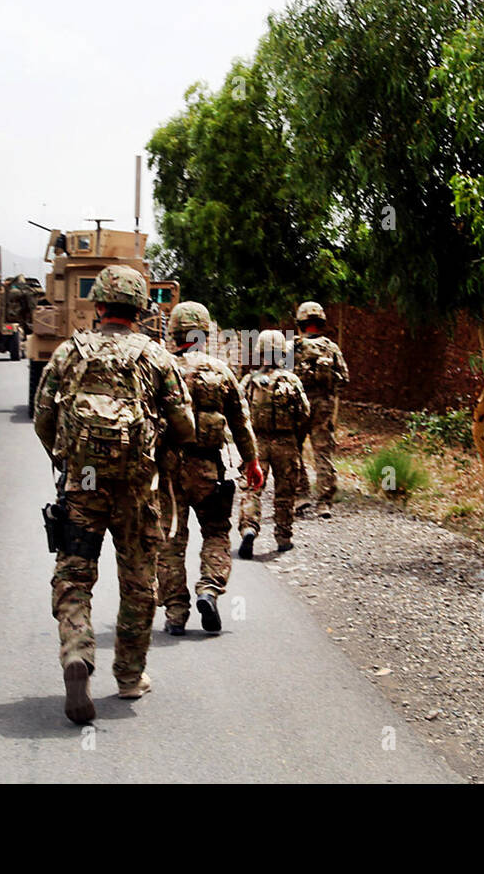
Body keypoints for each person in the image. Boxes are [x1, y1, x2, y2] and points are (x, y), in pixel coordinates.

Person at [34, 265, 194, 724]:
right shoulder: (156, 357)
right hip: (136, 487)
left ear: (99, 306)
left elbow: (44, 419)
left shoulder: (69, 353)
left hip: (83, 482)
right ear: (140, 310)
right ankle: (129, 677)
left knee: (74, 574)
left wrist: (67, 461)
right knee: (139, 582)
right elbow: (185, 425)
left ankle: (76, 653)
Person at [155, 301, 264, 636]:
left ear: (172, 332)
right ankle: (209, 588)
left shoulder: (159, 368)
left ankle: (175, 612)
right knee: (216, 532)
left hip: (167, 470)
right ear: (204, 333)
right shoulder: (220, 371)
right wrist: (252, 461)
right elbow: (241, 422)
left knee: (170, 540)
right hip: (207, 468)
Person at [237, 329, 310, 559]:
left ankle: (249, 527)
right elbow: (304, 413)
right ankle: (283, 538)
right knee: (285, 491)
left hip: (256, 442)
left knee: (252, 489)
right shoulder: (291, 380)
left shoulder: (249, 381)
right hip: (286, 442)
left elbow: (238, 412)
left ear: (260, 353)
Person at [290, 301, 350, 518]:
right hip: (323, 407)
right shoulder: (331, 348)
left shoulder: (293, 347)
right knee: (323, 454)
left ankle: (301, 496)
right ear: (321, 322)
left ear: (301, 323)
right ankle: (324, 503)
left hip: (298, 406)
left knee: (294, 451)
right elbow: (344, 378)